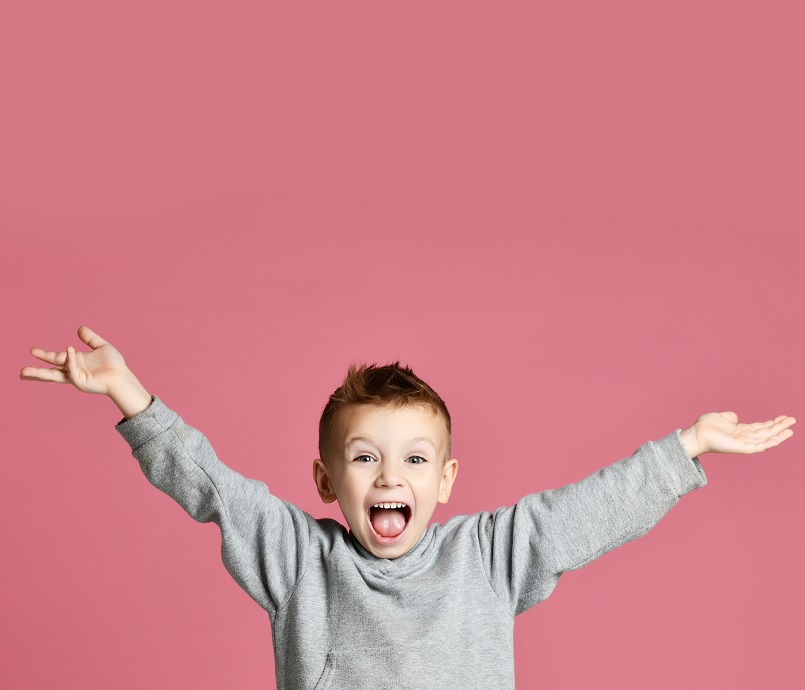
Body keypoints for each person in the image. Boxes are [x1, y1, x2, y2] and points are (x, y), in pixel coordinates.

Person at [20, 326, 796, 690]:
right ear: (327, 483)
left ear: (446, 480)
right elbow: (213, 486)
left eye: (414, 461)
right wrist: (128, 395)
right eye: (364, 459)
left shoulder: (488, 556)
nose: (390, 476)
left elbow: (584, 512)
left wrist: (683, 447)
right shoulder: (299, 561)